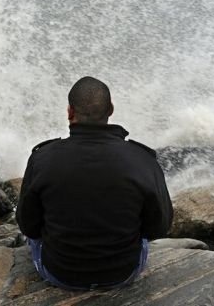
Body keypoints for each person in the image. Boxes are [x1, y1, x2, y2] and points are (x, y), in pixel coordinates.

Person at [16, 76, 173, 291]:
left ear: (70, 112)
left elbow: (28, 226)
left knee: (33, 238)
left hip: (60, 274)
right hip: (123, 273)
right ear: (111, 110)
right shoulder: (142, 159)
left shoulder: (42, 158)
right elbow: (158, 227)